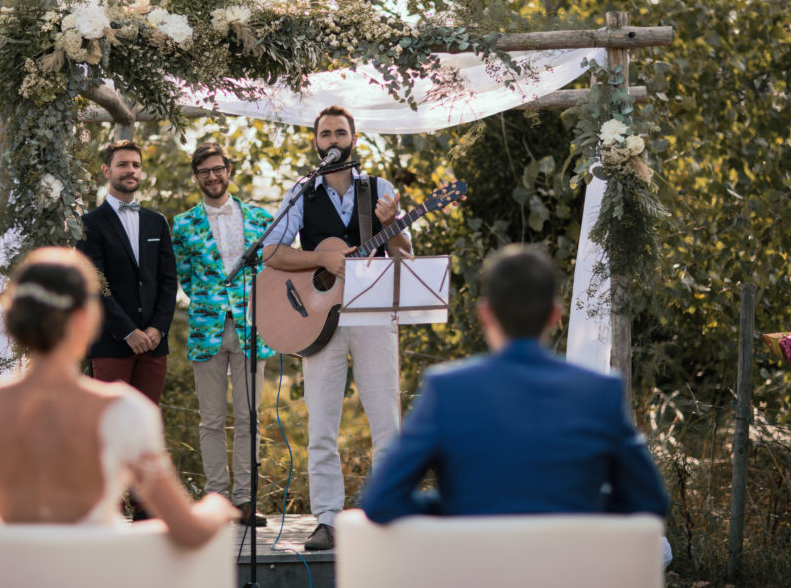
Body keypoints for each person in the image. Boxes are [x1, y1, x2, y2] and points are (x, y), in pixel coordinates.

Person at [0, 247, 237, 546]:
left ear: (14, 320)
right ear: (87, 320)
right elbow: (189, 532)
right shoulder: (124, 413)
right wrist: (216, 508)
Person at [359, 244, 670, 523]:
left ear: (485, 314)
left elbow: (380, 501)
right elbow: (650, 501)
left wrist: (458, 506)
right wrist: (582, 505)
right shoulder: (600, 391)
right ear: (554, 315)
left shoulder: (446, 390)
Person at [262, 105, 411, 551]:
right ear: (315, 143)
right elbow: (272, 253)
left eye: (340, 132)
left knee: (386, 418)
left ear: (354, 139)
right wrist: (322, 259)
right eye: (324, 133)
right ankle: (326, 518)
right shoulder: (301, 192)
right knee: (321, 425)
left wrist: (393, 229)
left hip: (371, 316)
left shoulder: (379, 189)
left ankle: (387, 513)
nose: (332, 139)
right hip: (317, 319)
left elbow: (404, 256)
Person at [171, 142, 275, 528]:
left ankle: (245, 500)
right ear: (196, 177)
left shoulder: (261, 219)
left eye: (218, 169)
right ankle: (217, 498)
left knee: (250, 418)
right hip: (207, 329)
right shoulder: (182, 224)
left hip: (252, 327)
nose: (212, 177)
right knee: (211, 420)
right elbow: (186, 277)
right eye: (204, 172)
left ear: (228, 170)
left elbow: (271, 272)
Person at [76, 139, 177, 405]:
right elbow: (96, 282)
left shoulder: (157, 222)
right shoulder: (89, 224)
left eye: (136, 165)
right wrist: (128, 331)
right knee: (109, 424)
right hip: (111, 343)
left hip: (155, 346)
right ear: (107, 171)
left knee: (146, 425)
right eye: (122, 164)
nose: (130, 170)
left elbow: (168, 280)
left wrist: (158, 328)